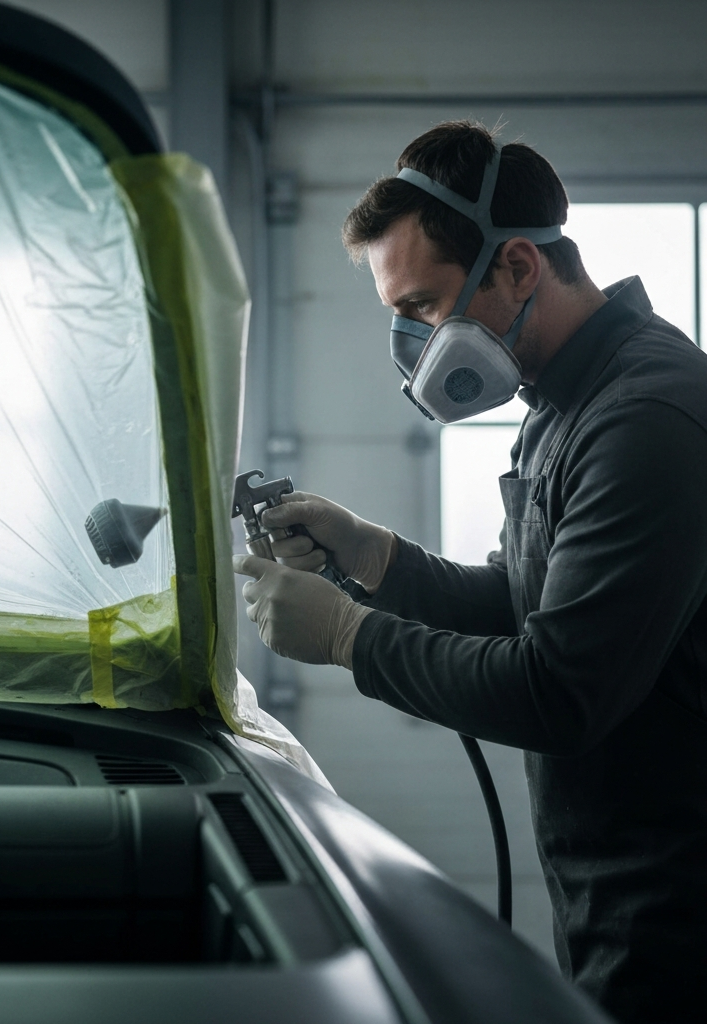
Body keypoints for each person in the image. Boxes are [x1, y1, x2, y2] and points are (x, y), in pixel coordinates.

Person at [234, 120, 707, 1024]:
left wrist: (349, 637)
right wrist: (374, 556)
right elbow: (523, 608)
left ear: (518, 267)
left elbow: (559, 691)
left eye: (423, 307)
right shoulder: (560, 404)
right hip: (611, 886)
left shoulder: (649, 417)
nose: (414, 348)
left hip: (680, 907)